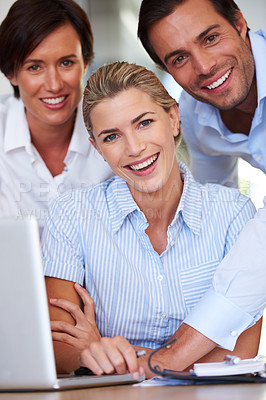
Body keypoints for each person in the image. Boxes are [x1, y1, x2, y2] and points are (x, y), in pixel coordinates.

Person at [42, 61, 261, 377]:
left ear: (173, 118)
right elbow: (58, 345)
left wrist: (115, 353)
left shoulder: (233, 214)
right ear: (97, 148)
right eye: (112, 136)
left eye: (144, 123)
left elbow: (239, 351)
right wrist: (83, 355)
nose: (134, 147)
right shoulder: (73, 215)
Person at [137, 0, 266, 363]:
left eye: (210, 38)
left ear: (239, 23)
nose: (205, 67)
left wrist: (179, 351)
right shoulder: (194, 114)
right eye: (178, 58)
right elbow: (214, 215)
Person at [0, 0, 112, 234]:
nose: (54, 85)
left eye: (66, 63)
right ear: (11, 73)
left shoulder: (116, 130)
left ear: (85, 64)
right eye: (34, 67)